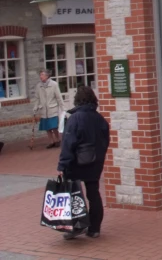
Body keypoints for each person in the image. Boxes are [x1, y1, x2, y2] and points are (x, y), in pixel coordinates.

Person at [57, 86, 110, 240]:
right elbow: (105, 141)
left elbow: (68, 143)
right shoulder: (99, 118)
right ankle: (94, 228)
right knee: (93, 193)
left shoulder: (75, 118)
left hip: (76, 163)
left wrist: (62, 165)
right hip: (95, 162)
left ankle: (77, 225)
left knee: (74, 194)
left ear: (77, 100)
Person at [32, 70, 65, 149]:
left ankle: (58, 140)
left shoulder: (54, 84)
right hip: (43, 109)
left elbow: (58, 97)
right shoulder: (38, 86)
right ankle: (51, 141)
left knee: (53, 126)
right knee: (47, 127)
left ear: (47, 76)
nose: (41, 76)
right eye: (40, 75)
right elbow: (37, 98)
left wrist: (63, 107)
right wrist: (35, 107)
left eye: (42, 75)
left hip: (52, 108)